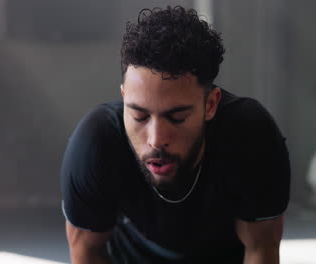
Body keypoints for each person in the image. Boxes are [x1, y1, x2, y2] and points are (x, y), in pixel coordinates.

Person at [60, 6, 290, 264]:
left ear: (211, 105)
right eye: (140, 116)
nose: (156, 139)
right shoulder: (97, 142)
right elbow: (87, 252)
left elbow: (261, 249)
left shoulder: (251, 137)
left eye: (177, 117)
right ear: (124, 98)